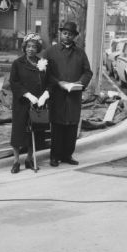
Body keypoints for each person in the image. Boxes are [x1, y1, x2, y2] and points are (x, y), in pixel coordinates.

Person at [43, 21, 93, 166]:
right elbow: (45, 72)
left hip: (73, 96)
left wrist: (80, 83)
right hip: (57, 95)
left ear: (74, 36)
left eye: (70, 34)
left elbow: (88, 72)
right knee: (57, 126)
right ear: (61, 34)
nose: (67, 36)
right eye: (65, 33)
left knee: (71, 126)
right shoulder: (50, 52)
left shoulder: (80, 53)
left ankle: (67, 155)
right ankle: (55, 156)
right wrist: (59, 82)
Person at [8, 33, 50, 173]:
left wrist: (45, 95)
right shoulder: (18, 63)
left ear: (37, 48)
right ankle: (16, 161)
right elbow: (14, 82)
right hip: (22, 103)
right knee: (18, 132)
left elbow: (48, 82)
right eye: (28, 46)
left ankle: (29, 159)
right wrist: (27, 95)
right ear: (24, 47)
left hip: (37, 103)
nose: (31, 49)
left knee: (35, 131)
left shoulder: (42, 63)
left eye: (34, 46)